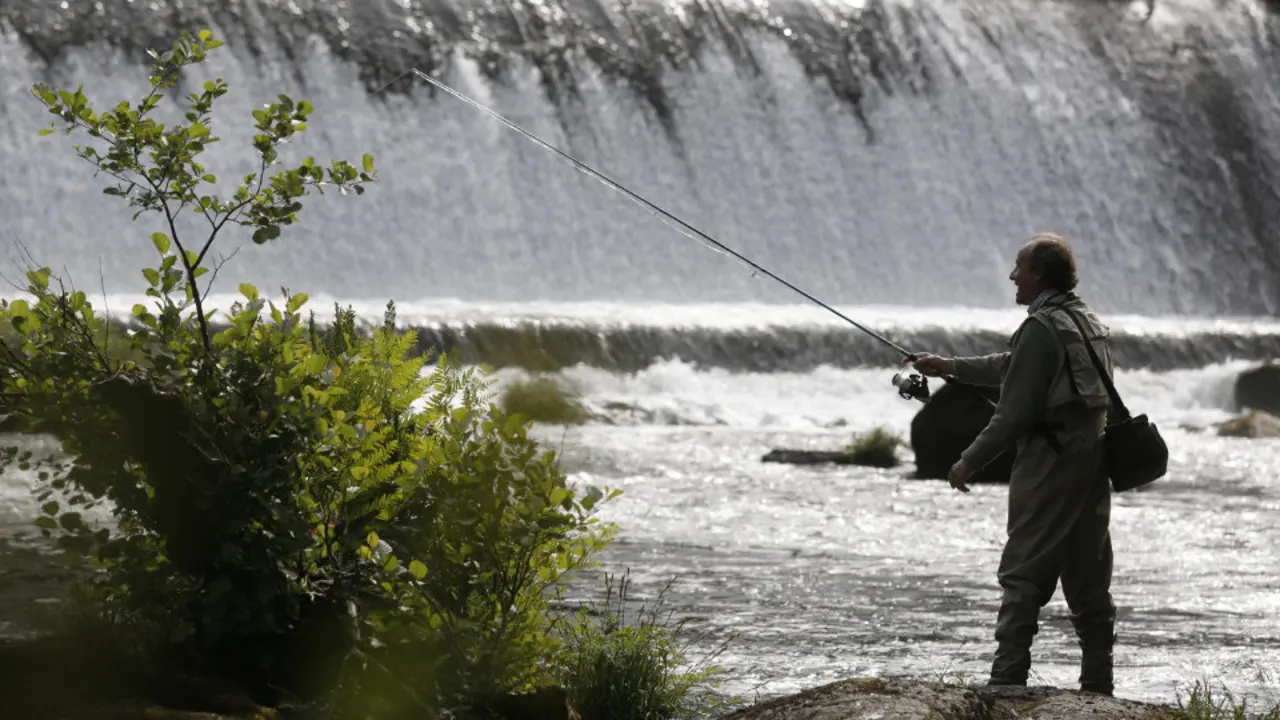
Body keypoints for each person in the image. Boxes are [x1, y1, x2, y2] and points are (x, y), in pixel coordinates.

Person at [906, 233, 1118, 695]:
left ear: (1039, 273)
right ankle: (1098, 684)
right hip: (1091, 463)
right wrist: (950, 366)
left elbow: (1014, 414)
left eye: (1019, 268)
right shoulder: (1083, 320)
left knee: (1023, 571)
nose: (1012, 276)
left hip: (1049, 468)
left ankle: (1006, 681)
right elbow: (1014, 366)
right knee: (1088, 573)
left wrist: (968, 462)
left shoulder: (1041, 328)